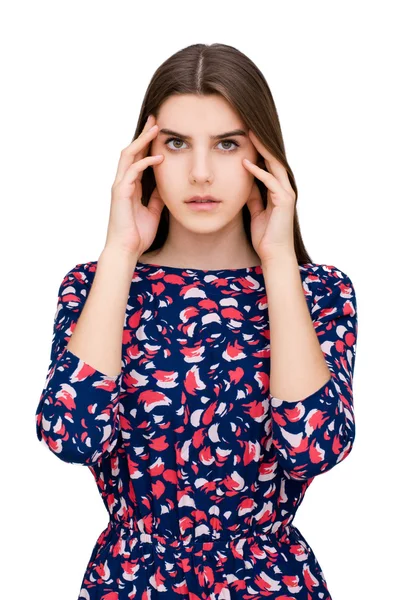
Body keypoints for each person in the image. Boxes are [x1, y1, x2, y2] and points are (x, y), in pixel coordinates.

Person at [35, 42, 358, 600]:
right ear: (143, 155)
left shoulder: (319, 292)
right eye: (177, 144)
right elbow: (70, 435)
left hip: (271, 585)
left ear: (264, 156)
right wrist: (120, 250)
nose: (201, 172)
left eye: (227, 144)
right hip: (132, 585)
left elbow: (314, 448)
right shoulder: (94, 285)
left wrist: (279, 261)